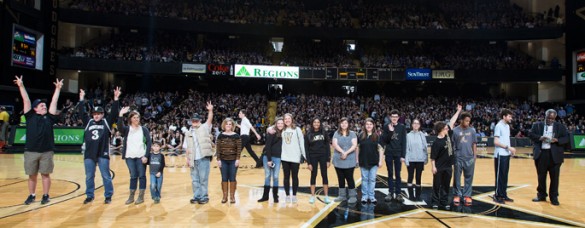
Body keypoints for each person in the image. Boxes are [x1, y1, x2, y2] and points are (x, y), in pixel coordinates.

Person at [15, 75, 63, 205]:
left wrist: (57, 89)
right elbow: (26, 100)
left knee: (45, 175)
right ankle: (32, 195)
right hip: (31, 151)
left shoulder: (49, 117)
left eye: (44, 105)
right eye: (41, 105)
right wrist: (21, 85)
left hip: (46, 151)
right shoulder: (30, 116)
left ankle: (46, 195)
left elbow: (54, 102)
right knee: (32, 175)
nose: (44, 106)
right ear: (35, 108)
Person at [78, 87, 121, 204]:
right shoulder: (88, 122)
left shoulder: (106, 122)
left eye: (99, 114)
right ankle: (89, 195)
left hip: (102, 153)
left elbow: (113, 113)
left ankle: (108, 195)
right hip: (89, 154)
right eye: (94, 114)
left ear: (102, 114)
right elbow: (82, 113)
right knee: (89, 177)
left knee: (106, 176)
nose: (96, 116)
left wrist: (116, 99)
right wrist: (81, 99)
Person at [528, 109, 568, 206]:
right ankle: (541, 195)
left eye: (552, 119)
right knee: (541, 177)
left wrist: (557, 140)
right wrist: (540, 138)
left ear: (555, 118)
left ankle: (554, 197)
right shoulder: (537, 125)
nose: (550, 120)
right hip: (541, 154)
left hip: (554, 155)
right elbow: (530, 134)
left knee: (554, 178)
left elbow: (566, 138)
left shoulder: (560, 127)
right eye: (548, 118)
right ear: (545, 116)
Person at [118, 106, 152, 205]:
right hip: (129, 156)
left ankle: (141, 196)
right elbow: (119, 127)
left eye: (138, 117)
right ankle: (131, 196)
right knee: (133, 176)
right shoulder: (127, 129)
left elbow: (149, 143)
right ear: (130, 119)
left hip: (141, 156)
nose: (136, 119)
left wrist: (146, 155)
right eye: (134, 117)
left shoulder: (144, 129)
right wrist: (120, 115)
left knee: (142, 175)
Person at [430, 105, 460, 210]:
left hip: (448, 167)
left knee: (446, 186)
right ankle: (434, 202)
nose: (447, 128)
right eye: (445, 128)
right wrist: (433, 167)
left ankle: (443, 202)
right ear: (441, 130)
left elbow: (451, 122)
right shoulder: (436, 143)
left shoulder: (448, 136)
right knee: (437, 185)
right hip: (439, 167)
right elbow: (433, 157)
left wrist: (458, 111)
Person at [183, 102, 214, 204]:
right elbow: (187, 147)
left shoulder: (204, 127)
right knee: (195, 180)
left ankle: (204, 197)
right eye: (193, 120)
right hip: (193, 159)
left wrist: (210, 110)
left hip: (203, 158)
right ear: (191, 121)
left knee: (203, 179)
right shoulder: (188, 132)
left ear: (200, 121)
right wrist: (187, 158)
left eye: (196, 120)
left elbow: (209, 120)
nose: (195, 122)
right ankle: (196, 196)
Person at [451, 110, 477, 206]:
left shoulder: (472, 130)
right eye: (466, 120)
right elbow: (452, 144)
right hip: (458, 157)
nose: (467, 122)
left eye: (469, 121)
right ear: (461, 120)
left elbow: (474, 144)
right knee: (457, 177)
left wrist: (474, 156)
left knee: (469, 178)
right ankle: (457, 194)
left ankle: (467, 195)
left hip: (469, 157)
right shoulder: (455, 131)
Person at [381, 110, 407, 202]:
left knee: (398, 174)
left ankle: (399, 193)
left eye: (396, 116)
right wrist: (390, 132)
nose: (394, 118)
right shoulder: (386, 126)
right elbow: (385, 140)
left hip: (398, 153)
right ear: (390, 117)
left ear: (398, 117)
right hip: (389, 152)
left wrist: (403, 155)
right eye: (393, 116)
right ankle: (390, 192)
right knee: (390, 173)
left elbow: (404, 142)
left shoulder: (402, 127)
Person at [356, 118, 384, 204]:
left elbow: (380, 149)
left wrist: (380, 161)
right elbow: (357, 148)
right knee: (364, 179)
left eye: (370, 124)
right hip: (363, 161)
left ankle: (371, 196)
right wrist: (357, 160)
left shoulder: (377, 136)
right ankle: (364, 196)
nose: (369, 126)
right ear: (364, 125)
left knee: (372, 179)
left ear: (373, 126)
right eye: (367, 124)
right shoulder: (360, 135)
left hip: (374, 162)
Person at [305, 117, 332, 204]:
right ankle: (312, 196)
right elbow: (306, 149)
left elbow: (328, 146)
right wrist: (308, 162)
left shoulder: (324, 132)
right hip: (313, 156)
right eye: (315, 122)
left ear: (320, 123)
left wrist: (328, 159)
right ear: (312, 123)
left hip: (323, 156)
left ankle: (326, 196)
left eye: (318, 122)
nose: (316, 124)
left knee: (324, 175)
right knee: (314, 175)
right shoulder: (308, 134)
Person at [280, 113, 306, 203]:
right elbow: (272, 127)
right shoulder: (281, 130)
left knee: (295, 177)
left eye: (289, 118)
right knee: (286, 177)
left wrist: (304, 155)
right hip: (284, 157)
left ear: (292, 120)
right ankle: (287, 195)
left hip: (295, 157)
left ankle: (294, 195)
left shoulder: (297, 129)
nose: (287, 120)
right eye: (285, 119)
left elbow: (302, 143)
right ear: (283, 120)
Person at [216, 118, 242, 204]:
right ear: (224, 125)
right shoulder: (220, 136)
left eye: (230, 124)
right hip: (223, 160)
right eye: (227, 124)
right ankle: (224, 196)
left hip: (233, 160)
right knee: (224, 178)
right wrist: (218, 159)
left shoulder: (236, 136)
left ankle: (232, 196)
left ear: (232, 126)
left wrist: (238, 159)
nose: (228, 125)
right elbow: (218, 148)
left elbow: (239, 149)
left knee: (232, 178)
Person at [492, 108, 516, 204]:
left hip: (505, 154)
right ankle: (497, 195)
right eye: (509, 116)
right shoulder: (499, 126)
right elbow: (496, 142)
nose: (511, 118)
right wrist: (508, 148)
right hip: (500, 154)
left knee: (505, 175)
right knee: (499, 176)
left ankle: (503, 194)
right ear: (504, 116)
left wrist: (509, 151)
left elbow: (506, 140)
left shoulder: (507, 126)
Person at [332, 117, 358, 204]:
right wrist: (343, 152)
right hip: (338, 159)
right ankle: (342, 196)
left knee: (350, 178)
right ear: (340, 124)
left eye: (345, 123)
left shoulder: (352, 134)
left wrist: (346, 153)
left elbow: (354, 145)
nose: (344, 125)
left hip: (350, 159)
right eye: (342, 123)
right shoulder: (336, 133)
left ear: (348, 124)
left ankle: (352, 196)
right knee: (340, 178)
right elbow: (334, 144)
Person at [258, 117, 284, 203]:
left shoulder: (285, 133)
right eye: (278, 123)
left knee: (276, 177)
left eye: (281, 123)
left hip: (278, 158)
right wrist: (269, 159)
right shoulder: (272, 132)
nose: (280, 125)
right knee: (267, 176)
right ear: (276, 124)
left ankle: (275, 196)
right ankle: (265, 196)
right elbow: (268, 146)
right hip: (268, 157)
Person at [405, 118, 428, 201]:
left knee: (418, 177)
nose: (416, 125)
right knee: (410, 177)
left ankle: (418, 196)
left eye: (417, 123)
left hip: (420, 160)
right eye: (414, 123)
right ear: (412, 125)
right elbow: (406, 149)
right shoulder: (408, 135)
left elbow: (425, 147)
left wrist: (426, 158)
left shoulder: (422, 135)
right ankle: (411, 196)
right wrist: (406, 159)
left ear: (419, 125)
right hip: (411, 159)